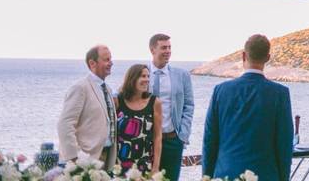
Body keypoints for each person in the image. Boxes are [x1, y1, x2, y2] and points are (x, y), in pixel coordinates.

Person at [202, 35, 293, 181]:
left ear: (243, 55)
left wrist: (206, 176)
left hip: (226, 174)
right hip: (265, 175)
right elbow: (284, 143)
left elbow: (209, 139)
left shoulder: (221, 91)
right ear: (268, 57)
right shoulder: (279, 94)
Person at [57, 45, 118, 168]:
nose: (111, 63)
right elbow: (65, 124)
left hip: (105, 157)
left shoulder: (107, 89)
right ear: (92, 63)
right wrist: (75, 158)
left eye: (111, 59)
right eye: (106, 60)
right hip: (84, 159)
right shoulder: (80, 88)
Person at [148, 34, 194, 181]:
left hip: (172, 141)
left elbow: (189, 105)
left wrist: (183, 136)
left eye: (169, 47)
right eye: (163, 47)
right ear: (152, 49)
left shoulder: (182, 75)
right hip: (146, 142)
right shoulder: (142, 74)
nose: (168, 51)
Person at [116, 64, 162, 174]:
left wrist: (155, 167)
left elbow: (158, 137)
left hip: (144, 165)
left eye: (148, 76)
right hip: (119, 165)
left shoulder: (154, 102)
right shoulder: (118, 101)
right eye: (143, 76)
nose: (147, 80)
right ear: (132, 78)